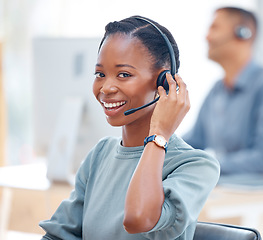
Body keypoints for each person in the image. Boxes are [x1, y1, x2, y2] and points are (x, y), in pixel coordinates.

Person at [39, 16, 220, 240]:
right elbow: (58, 235)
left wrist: (159, 135)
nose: (106, 87)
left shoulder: (196, 166)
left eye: (124, 74)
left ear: (164, 81)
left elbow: (139, 219)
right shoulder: (100, 154)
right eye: (100, 74)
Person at [183, 7, 263, 175]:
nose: (206, 37)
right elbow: (194, 141)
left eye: (214, 28)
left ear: (243, 33)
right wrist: (157, 146)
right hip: (234, 190)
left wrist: (206, 165)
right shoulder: (217, 90)